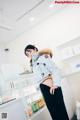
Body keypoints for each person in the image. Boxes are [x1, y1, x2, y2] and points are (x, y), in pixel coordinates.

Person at [24, 44, 69, 120]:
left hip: (52, 87)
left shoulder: (43, 57)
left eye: (30, 51)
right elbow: (38, 78)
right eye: (27, 54)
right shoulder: (32, 64)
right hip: (44, 88)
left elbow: (55, 70)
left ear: (35, 49)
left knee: (60, 110)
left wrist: (56, 85)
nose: (30, 54)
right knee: (53, 112)